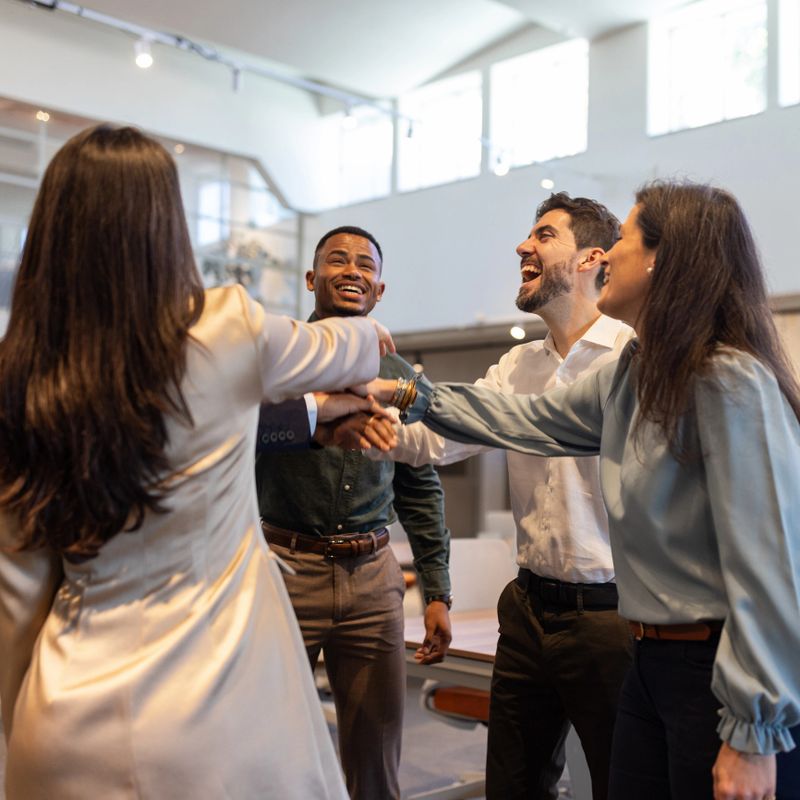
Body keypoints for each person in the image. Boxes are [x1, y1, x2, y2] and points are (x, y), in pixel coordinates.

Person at [368, 180, 800, 800]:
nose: (612, 255)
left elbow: (773, 566)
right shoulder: (634, 372)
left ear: (659, 259)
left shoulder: (728, 381)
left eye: (624, 238)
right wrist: (409, 390)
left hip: (708, 668)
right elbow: (528, 420)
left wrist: (753, 733)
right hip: (648, 659)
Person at [0, 125, 395, 800]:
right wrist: (345, 371)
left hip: (64, 721)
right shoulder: (227, 325)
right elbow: (359, 344)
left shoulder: (20, 378)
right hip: (222, 713)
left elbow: (16, 597)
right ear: (166, 228)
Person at [361, 193, 634, 800]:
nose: (522, 246)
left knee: (623, 781)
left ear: (592, 257)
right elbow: (435, 439)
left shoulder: (629, 358)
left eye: (543, 235)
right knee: (512, 787)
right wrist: (357, 427)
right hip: (529, 611)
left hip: (611, 620)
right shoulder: (516, 366)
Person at [255, 225, 453, 800]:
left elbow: (420, 485)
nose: (351, 271)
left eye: (364, 264)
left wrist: (437, 589)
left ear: (380, 288)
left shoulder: (402, 379)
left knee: (377, 761)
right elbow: (242, 446)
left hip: (373, 580)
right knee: (271, 747)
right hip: (286, 572)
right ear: (312, 279)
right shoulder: (280, 362)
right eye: (337, 261)